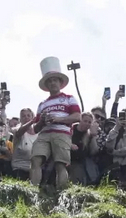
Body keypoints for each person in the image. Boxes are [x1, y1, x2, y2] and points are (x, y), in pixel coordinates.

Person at [28, 57, 83, 190]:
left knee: (61, 164)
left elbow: (77, 117)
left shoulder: (69, 98)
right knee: (35, 159)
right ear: (47, 85)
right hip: (45, 134)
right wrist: (42, 121)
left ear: (60, 82)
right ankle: (33, 190)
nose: (53, 83)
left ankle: (61, 191)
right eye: (50, 81)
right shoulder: (42, 104)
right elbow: (36, 128)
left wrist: (59, 120)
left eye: (55, 80)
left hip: (62, 133)